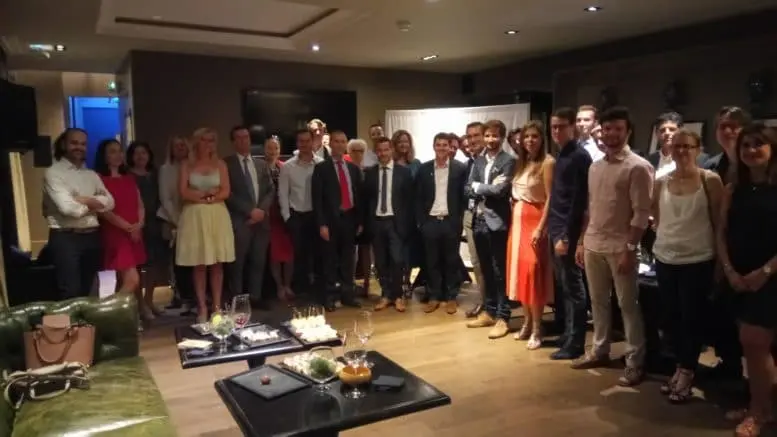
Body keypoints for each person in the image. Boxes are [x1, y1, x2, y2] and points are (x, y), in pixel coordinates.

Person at [572, 106, 652, 387]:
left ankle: (635, 362)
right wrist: (581, 241)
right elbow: (590, 208)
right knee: (598, 302)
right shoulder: (595, 166)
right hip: (594, 243)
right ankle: (599, 350)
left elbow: (642, 214)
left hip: (621, 247)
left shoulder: (638, 167)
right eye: (607, 129)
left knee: (628, 305)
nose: (612, 134)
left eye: (618, 128)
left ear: (628, 131)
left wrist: (630, 249)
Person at [650, 128, 722, 403]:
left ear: (698, 149)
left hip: (698, 259)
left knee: (692, 319)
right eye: (677, 146)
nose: (681, 151)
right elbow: (657, 217)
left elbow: (719, 223)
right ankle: (680, 367)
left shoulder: (709, 180)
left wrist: (720, 262)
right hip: (666, 258)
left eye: (687, 146)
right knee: (672, 318)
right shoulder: (661, 182)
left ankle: (687, 371)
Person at [717, 123, 777, 437]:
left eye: (758, 144)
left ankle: (758, 412)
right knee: (755, 348)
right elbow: (722, 232)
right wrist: (729, 270)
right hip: (739, 277)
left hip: (771, 277)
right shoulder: (733, 188)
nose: (751, 150)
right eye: (745, 145)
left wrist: (764, 272)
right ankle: (763, 403)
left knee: (755, 343)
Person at [43, 128, 114, 299]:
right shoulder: (53, 173)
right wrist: (95, 202)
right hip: (66, 238)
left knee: (90, 291)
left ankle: (86, 319)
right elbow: (68, 209)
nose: (79, 147)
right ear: (63, 144)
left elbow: (110, 202)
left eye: (83, 144)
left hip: (92, 236)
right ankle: (71, 318)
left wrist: (83, 200)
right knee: (70, 291)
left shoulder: (91, 175)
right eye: (74, 143)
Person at [176, 127, 236, 322]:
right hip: (195, 215)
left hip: (217, 214)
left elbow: (225, 190)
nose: (209, 144)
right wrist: (204, 195)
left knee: (217, 263)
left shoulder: (220, 164)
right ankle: (202, 306)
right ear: (197, 142)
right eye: (205, 140)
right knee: (199, 263)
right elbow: (183, 191)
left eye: (212, 140)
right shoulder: (187, 164)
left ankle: (217, 306)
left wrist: (211, 197)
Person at [546, 108, 591, 360]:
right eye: (553, 126)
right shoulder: (562, 154)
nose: (556, 131)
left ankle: (576, 343)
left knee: (574, 287)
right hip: (557, 229)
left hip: (568, 233)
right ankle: (567, 334)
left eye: (561, 126)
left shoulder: (579, 156)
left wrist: (565, 236)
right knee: (564, 286)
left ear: (573, 126)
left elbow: (578, 201)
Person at [464, 120, 516, 338]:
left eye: (495, 136)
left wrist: (480, 187)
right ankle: (490, 311)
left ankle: (503, 316)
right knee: (486, 270)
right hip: (478, 220)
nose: (490, 140)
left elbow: (501, 190)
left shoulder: (509, 161)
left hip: (497, 222)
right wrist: (483, 187)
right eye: (487, 135)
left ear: (502, 137)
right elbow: (468, 189)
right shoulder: (478, 161)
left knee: (499, 271)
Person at [506, 121, 555, 349]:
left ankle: (537, 328)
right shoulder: (522, 162)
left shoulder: (548, 162)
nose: (529, 141)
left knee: (534, 274)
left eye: (534, 136)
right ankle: (526, 322)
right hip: (517, 222)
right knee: (521, 275)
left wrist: (541, 227)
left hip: (535, 222)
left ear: (542, 138)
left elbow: (550, 197)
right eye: (526, 137)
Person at [94, 139, 147, 321]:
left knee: (123, 280)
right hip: (116, 233)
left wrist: (139, 224)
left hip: (134, 232)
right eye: (112, 151)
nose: (118, 155)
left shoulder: (129, 178)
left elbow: (140, 204)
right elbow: (103, 211)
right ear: (104, 156)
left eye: (120, 151)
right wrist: (127, 227)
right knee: (132, 280)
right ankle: (108, 316)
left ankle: (124, 320)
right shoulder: (99, 180)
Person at [415, 133, 468, 314]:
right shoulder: (424, 169)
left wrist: (459, 219)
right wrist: (421, 222)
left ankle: (451, 297)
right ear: (434, 147)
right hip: (430, 222)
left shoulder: (460, 169)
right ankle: (434, 296)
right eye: (438, 145)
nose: (442, 148)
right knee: (432, 261)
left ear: (450, 147)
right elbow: (418, 197)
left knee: (451, 261)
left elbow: (463, 196)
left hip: (450, 222)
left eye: (445, 145)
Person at [312, 130, 364, 311]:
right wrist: (321, 224)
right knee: (330, 261)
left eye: (343, 141)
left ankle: (348, 295)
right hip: (330, 221)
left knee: (348, 261)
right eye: (337, 141)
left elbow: (359, 197)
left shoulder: (353, 169)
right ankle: (330, 297)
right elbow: (317, 199)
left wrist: (360, 221)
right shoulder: (321, 168)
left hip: (350, 220)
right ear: (331, 144)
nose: (340, 145)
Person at [224, 126, 274, 307]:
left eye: (246, 137)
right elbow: (228, 193)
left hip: (261, 221)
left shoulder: (261, 164)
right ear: (233, 142)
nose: (243, 141)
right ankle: (237, 299)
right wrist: (249, 211)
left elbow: (270, 190)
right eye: (239, 138)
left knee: (258, 261)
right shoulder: (226, 164)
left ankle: (255, 297)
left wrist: (261, 210)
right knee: (237, 263)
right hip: (241, 221)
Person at [367, 137, 414, 312]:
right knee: (380, 262)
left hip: (396, 223)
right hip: (377, 222)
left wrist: (408, 225)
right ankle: (386, 295)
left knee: (397, 260)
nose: (383, 153)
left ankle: (398, 295)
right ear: (376, 152)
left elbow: (409, 201)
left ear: (392, 150)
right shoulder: (370, 173)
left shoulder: (404, 173)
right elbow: (366, 200)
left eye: (386, 149)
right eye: (379, 150)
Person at [278, 130, 324, 295]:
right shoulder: (288, 167)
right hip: (297, 217)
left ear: (313, 142)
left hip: (317, 216)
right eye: (301, 141)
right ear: (297, 143)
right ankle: (302, 292)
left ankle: (317, 292)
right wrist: (287, 218)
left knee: (318, 255)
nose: (304, 144)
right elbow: (283, 194)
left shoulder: (321, 164)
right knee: (300, 256)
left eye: (307, 141)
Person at [127, 140, 166, 319]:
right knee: (138, 266)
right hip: (136, 224)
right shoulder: (127, 175)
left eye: (144, 152)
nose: (140, 156)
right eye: (137, 153)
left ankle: (149, 299)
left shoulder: (156, 174)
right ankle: (140, 305)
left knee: (154, 264)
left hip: (156, 223)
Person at [158, 136, 193, 314]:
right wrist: (178, 220)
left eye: (182, 145)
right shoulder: (166, 170)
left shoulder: (194, 167)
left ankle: (195, 298)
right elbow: (166, 199)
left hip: (193, 219)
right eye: (176, 146)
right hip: (173, 220)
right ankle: (182, 297)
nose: (180, 148)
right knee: (178, 263)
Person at [265, 136, 295, 301]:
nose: (272, 151)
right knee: (275, 255)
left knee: (289, 253)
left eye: (275, 148)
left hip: (285, 214)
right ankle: (279, 286)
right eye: (269, 148)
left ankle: (288, 285)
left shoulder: (285, 167)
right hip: (269, 215)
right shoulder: (261, 168)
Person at [463, 122, 487, 318]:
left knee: (488, 263)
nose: (472, 140)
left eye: (476, 135)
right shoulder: (470, 162)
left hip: (487, 217)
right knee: (477, 262)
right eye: (469, 136)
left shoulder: (491, 160)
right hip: (470, 215)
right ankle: (483, 301)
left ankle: (493, 304)